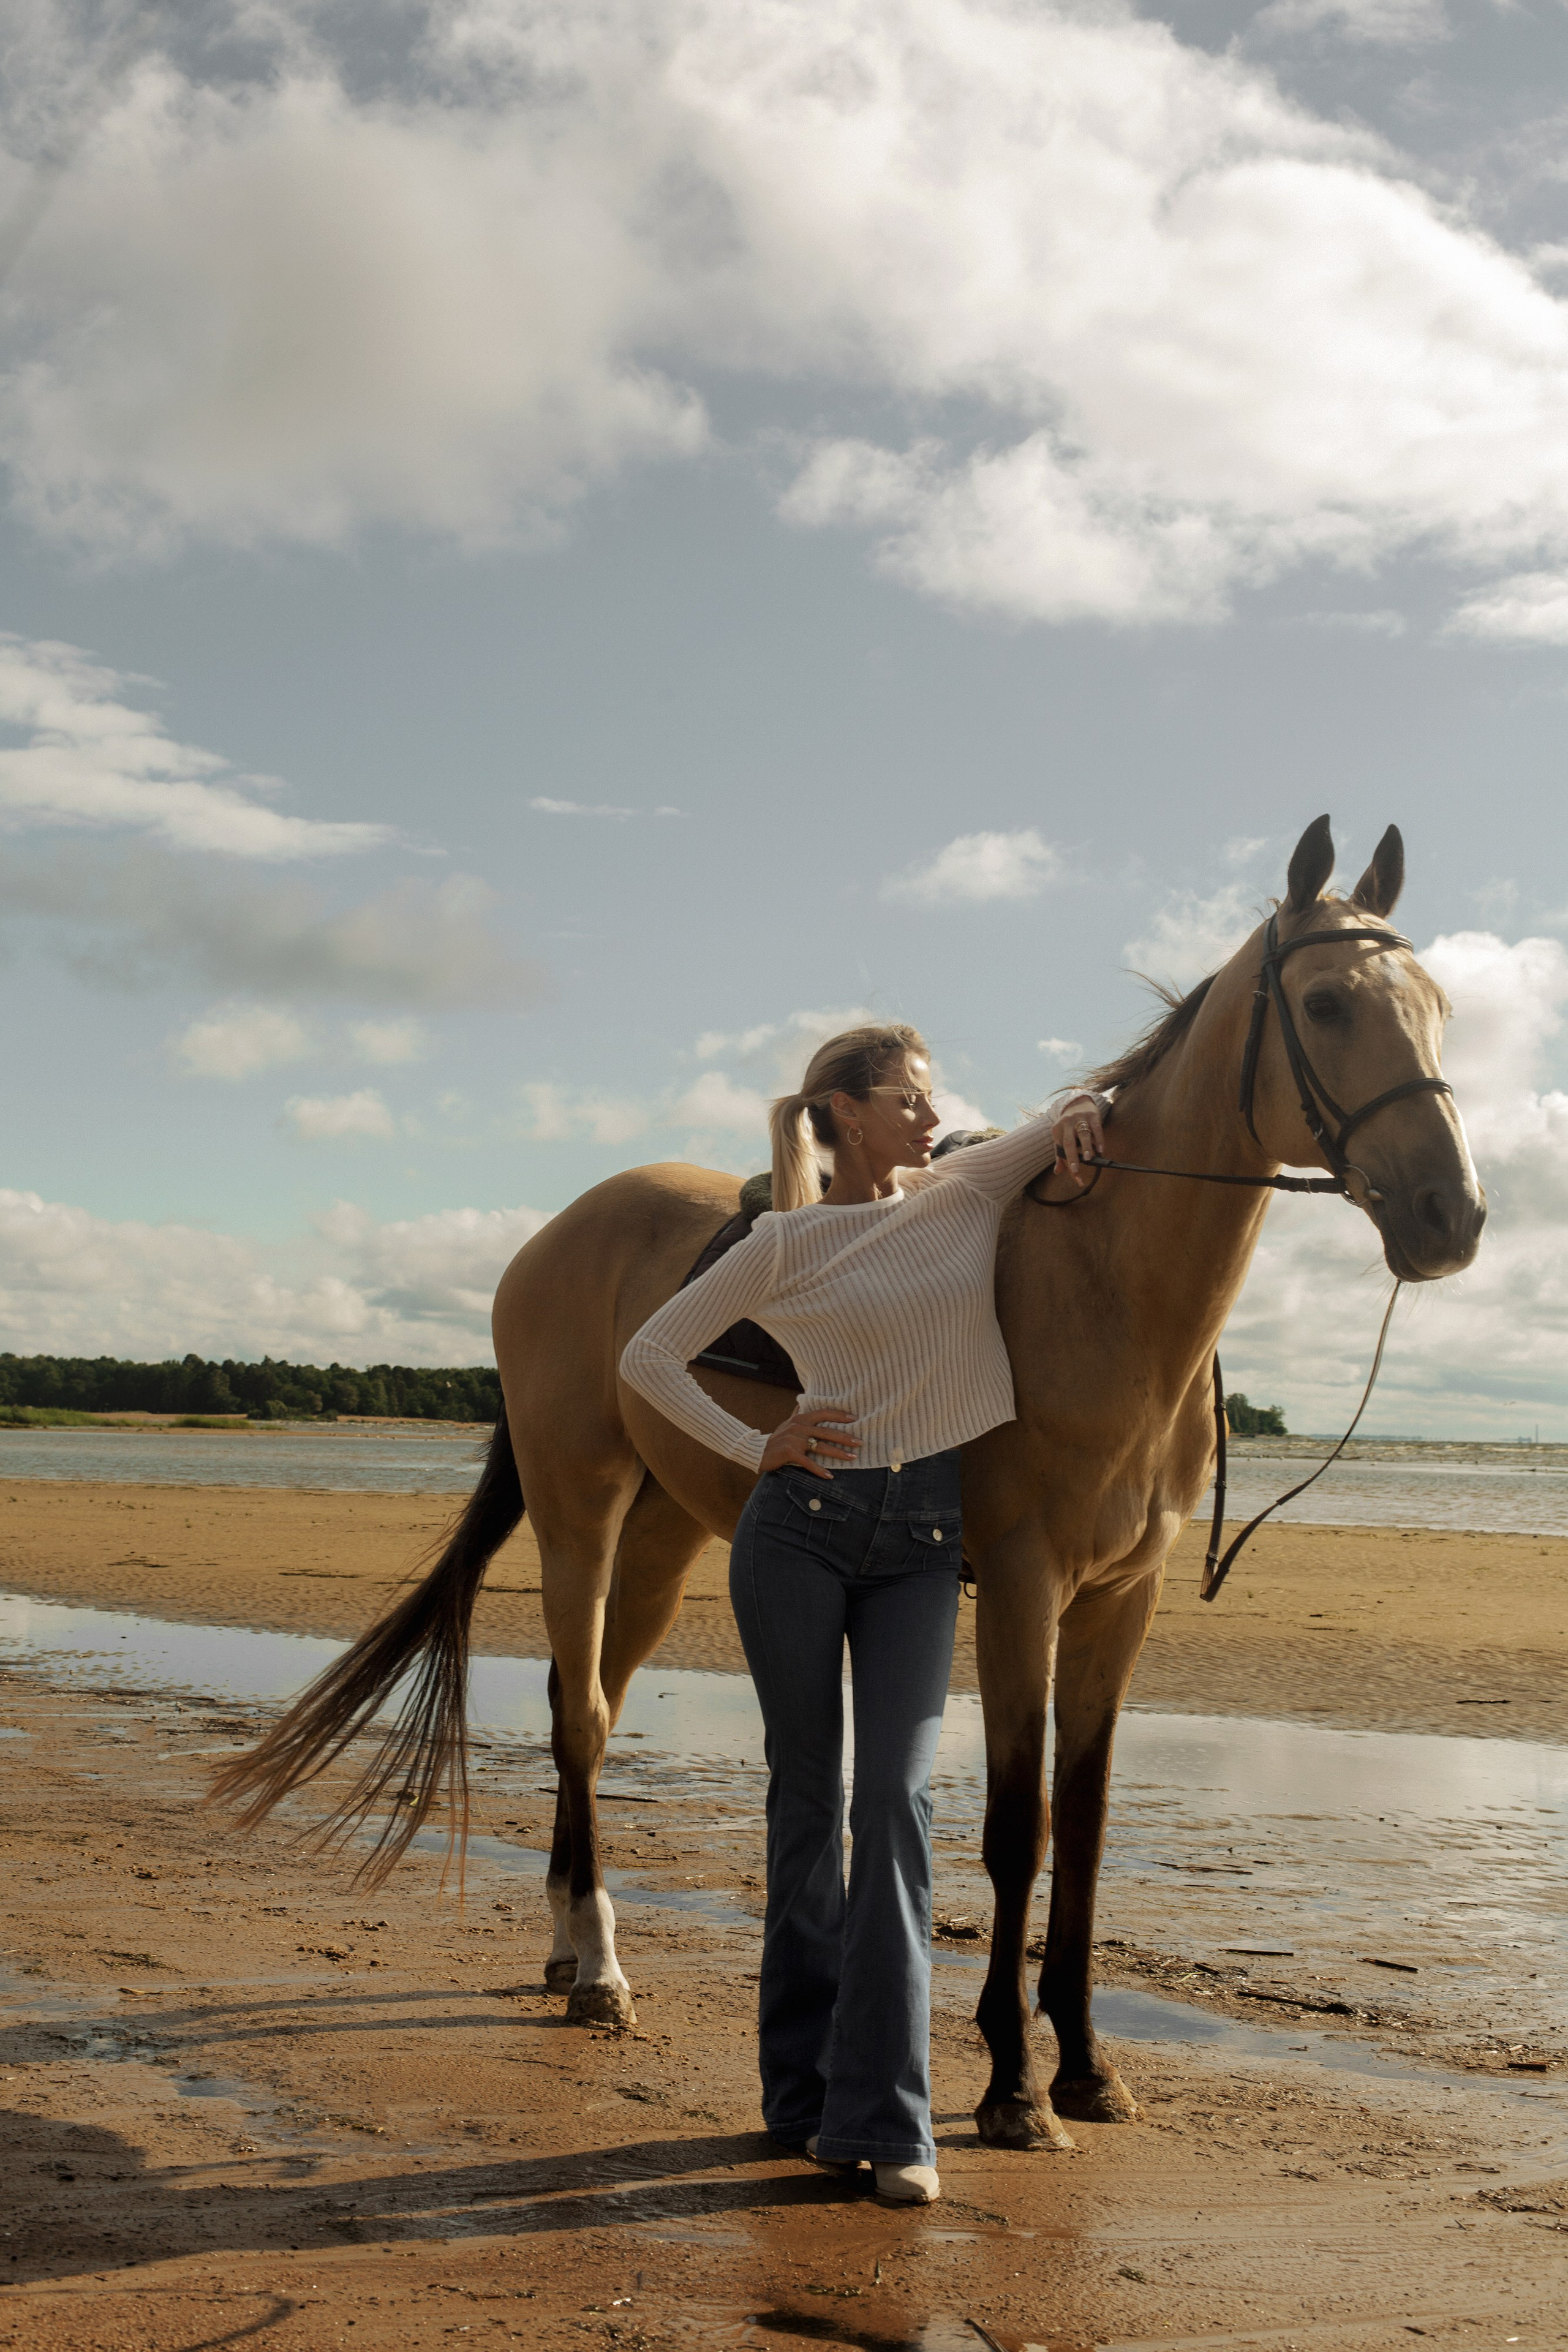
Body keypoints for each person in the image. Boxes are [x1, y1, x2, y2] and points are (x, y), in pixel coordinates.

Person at [619, 1024, 1105, 2206]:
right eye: (907, 1098)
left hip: (923, 1552)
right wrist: (758, 1446)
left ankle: (891, 2123)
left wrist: (1085, 1126)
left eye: (934, 1095)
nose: (932, 1116)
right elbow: (648, 1355)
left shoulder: (964, 1190)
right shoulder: (783, 1243)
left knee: (895, 1803)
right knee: (805, 1806)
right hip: (799, 1537)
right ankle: (800, 2093)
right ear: (840, 1111)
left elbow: (1091, 1104)